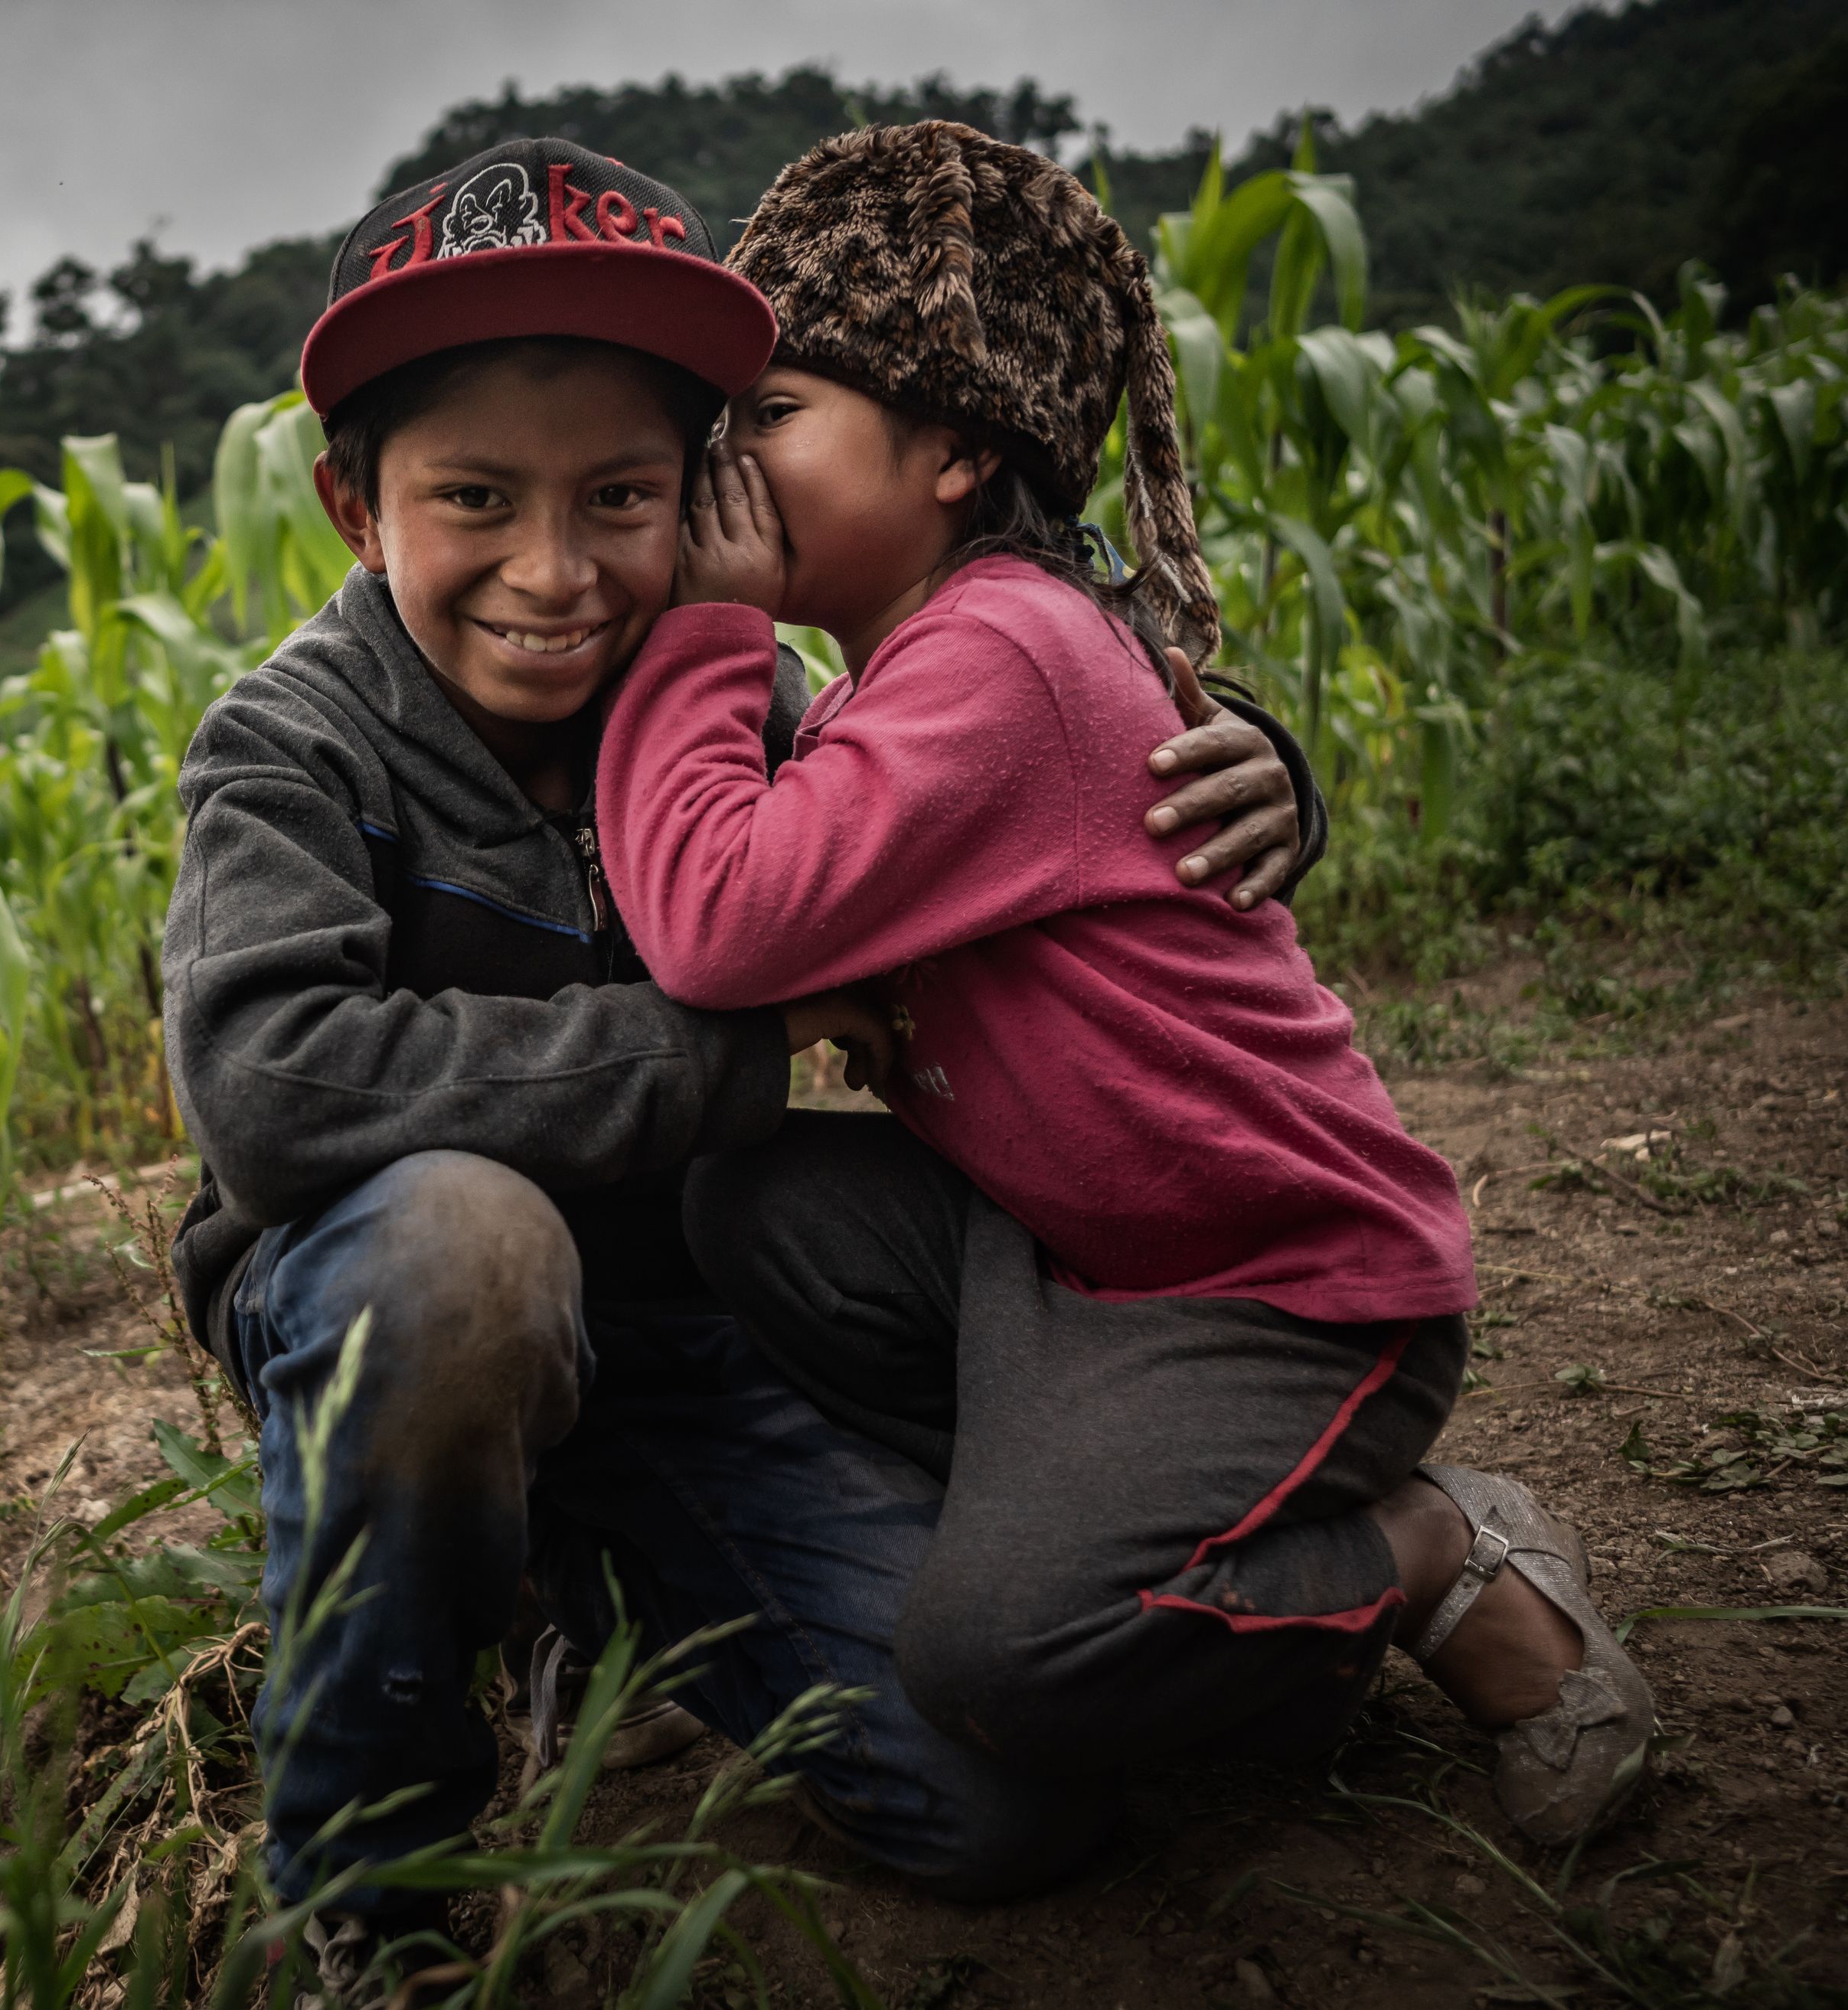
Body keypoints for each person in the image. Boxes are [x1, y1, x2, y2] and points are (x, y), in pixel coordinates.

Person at [159, 135, 1330, 1986]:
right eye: (474, 497)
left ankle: (602, 1566)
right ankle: (365, 1878)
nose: (555, 572)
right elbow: (273, 1085)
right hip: (408, 1312)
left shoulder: (725, 695)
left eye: (621, 495)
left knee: (1004, 1801)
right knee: (468, 1250)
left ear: (699, 490)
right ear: (352, 507)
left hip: (692, 1343)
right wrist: (732, 1049)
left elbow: (996, 740)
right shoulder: (294, 744)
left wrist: (1250, 758)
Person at [590, 120, 1653, 1852]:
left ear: (948, 446)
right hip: (1079, 1259)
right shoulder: (915, 661)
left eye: (770, 415)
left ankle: (1431, 1549)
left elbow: (716, 920)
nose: (724, 461)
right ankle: (1146, 1547)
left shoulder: (995, 650)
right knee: (761, 1201)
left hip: (1281, 1283)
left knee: (1002, 1656)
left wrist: (707, 629)